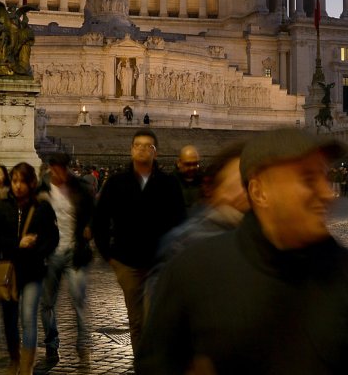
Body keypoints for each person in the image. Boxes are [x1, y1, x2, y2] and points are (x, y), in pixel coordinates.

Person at [137, 128, 348, 374]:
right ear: (259, 192)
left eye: (326, 177)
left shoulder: (347, 269)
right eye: (308, 179)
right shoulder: (193, 270)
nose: (327, 193)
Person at [92, 129, 185, 356]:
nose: (143, 150)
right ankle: (143, 366)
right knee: (136, 321)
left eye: (148, 146)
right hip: (127, 263)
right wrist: (109, 256)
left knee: (156, 318)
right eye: (138, 145)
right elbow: (100, 220)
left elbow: (179, 220)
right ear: (131, 150)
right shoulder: (116, 183)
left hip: (158, 263)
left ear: (156, 152)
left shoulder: (168, 183)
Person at [146, 141, 247, 299]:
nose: (245, 192)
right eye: (237, 183)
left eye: (195, 164)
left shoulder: (269, 238)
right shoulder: (183, 243)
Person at [0, 162, 59, 375]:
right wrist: (16, 243)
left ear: (32, 183)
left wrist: (38, 251)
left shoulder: (42, 208)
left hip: (32, 271)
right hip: (8, 271)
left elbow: (52, 238)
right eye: (15, 181)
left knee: (28, 317)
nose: (18, 186)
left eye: (23, 181)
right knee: (9, 321)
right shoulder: (0, 207)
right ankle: (14, 359)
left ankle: (27, 365)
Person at [38, 153, 96, 370]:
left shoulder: (79, 187)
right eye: (56, 168)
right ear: (51, 168)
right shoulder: (42, 189)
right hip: (50, 252)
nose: (60, 173)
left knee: (79, 299)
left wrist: (89, 227)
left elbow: (92, 212)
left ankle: (84, 345)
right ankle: (52, 343)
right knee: (47, 303)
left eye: (63, 168)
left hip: (75, 251)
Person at [173, 145, 206, 211]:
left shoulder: (205, 181)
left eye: (195, 164)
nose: (192, 168)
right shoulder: (169, 183)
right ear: (179, 163)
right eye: (188, 164)